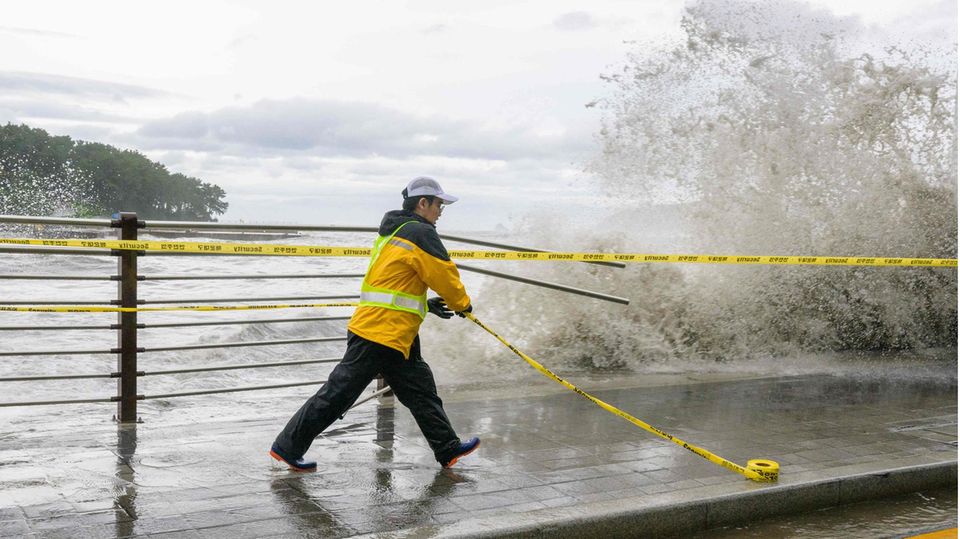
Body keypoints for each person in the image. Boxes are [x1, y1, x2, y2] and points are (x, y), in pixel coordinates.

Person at [270, 176, 480, 471]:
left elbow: (395, 282)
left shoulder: (395, 231)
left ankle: (447, 448)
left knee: (420, 390)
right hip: (380, 332)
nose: (441, 210)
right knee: (337, 394)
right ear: (423, 203)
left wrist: (425, 304)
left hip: (393, 331)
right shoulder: (420, 232)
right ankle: (286, 446)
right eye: (438, 204)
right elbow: (444, 275)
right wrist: (463, 304)